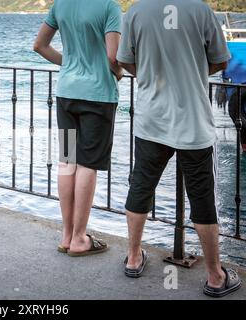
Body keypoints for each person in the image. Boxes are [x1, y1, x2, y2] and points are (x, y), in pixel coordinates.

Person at [117, 0, 242, 297]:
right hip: (193, 123)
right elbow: (221, 60)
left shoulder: (136, 11)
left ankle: (134, 258)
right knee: (201, 197)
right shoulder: (200, 11)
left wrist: (148, 75)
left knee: (141, 187)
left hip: (151, 120)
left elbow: (124, 60)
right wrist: (196, 71)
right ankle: (215, 276)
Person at [33, 0, 123, 256]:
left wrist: (70, 64)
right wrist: (118, 73)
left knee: (67, 162)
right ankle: (80, 238)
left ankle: (66, 236)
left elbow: (39, 45)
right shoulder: (109, 7)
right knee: (87, 165)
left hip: (67, 94)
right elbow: (112, 56)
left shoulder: (60, 5)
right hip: (97, 96)